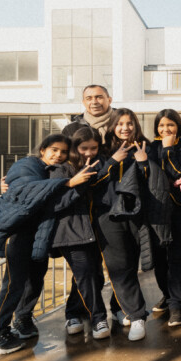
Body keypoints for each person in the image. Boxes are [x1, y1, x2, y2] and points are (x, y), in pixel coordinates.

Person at [0, 134, 97, 354]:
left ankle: (23, 320)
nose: (59, 155)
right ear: (43, 149)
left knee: (35, 279)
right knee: (13, 283)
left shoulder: (51, 171)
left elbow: (50, 200)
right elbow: (27, 190)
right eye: (54, 150)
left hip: (37, 234)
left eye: (64, 152)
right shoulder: (27, 164)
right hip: (18, 232)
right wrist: (67, 183)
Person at [51, 127, 111, 340]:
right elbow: (56, 203)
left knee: (90, 274)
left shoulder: (98, 163)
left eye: (93, 148)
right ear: (75, 147)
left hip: (93, 229)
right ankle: (99, 318)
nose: (88, 152)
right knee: (86, 274)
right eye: (84, 148)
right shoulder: (62, 169)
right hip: (70, 231)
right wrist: (77, 184)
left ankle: (73, 313)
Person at [97, 109, 152, 341]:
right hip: (109, 216)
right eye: (120, 124)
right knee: (118, 266)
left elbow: (152, 182)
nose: (125, 128)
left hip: (135, 214)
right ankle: (138, 316)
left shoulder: (144, 147)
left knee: (130, 266)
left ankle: (121, 308)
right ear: (112, 126)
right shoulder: (101, 150)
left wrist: (143, 163)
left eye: (130, 123)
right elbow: (92, 182)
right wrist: (112, 161)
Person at [148, 109, 181, 327]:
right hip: (157, 209)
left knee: (178, 256)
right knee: (159, 258)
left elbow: (178, 171)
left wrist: (169, 148)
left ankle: (177, 304)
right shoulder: (151, 147)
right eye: (161, 126)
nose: (165, 129)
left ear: (178, 125)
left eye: (170, 125)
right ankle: (169, 295)